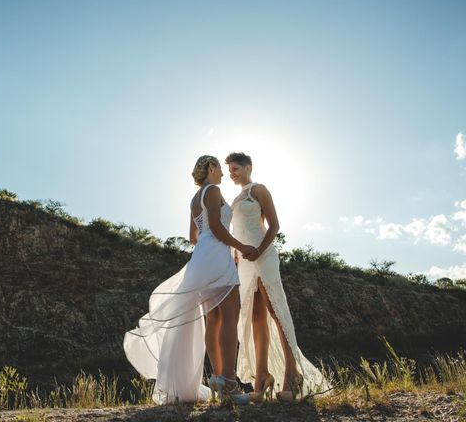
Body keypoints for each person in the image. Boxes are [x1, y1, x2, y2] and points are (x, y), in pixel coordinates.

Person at [123, 155, 252, 404]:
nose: (223, 174)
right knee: (229, 316)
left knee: (213, 319)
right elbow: (215, 227)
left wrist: (211, 244)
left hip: (201, 258)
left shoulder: (195, 198)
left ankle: (217, 378)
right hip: (217, 257)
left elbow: (193, 236)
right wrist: (240, 247)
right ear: (212, 168)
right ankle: (231, 383)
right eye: (220, 169)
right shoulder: (213, 191)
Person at [226, 152, 330, 402]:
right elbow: (235, 230)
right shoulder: (235, 198)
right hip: (244, 261)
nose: (232, 173)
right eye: (229, 170)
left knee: (275, 310)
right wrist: (236, 256)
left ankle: (292, 375)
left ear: (248, 167)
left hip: (263, 255)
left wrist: (259, 250)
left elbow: (274, 225)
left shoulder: (259, 189)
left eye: (236, 169)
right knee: (255, 316)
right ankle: (261, 378)